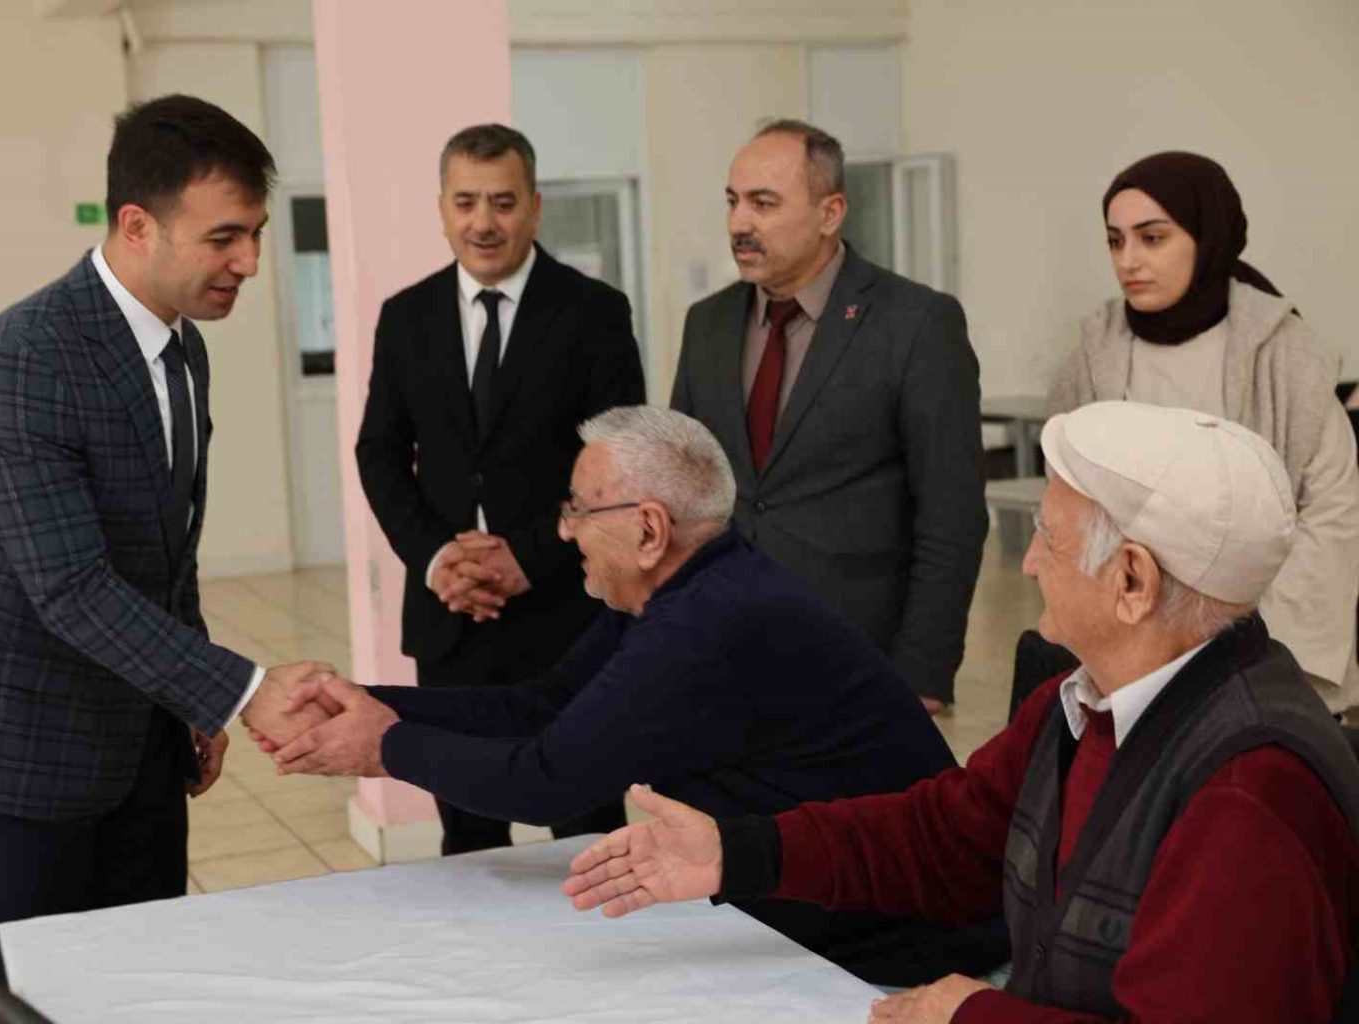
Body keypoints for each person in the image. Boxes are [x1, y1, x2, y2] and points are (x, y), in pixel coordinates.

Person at [564, 401, 1359, 1024]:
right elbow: (944, 840)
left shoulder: (1252, 790)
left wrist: (971, 1014)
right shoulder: (1080, 703)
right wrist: (734, 853)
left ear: (1132, 582)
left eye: (1047, 537)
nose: (1029, 563)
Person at [261, 406, 1004, 985]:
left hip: (898, 942)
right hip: (806, 911)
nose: (564, 531)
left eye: (578, 510)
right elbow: (543, 707)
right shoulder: (690, 586)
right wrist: (365, 702)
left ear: (649, 529)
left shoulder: (710, 623)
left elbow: (546, 783)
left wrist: (384, 746)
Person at [0, 95, 333, 923]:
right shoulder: (22, 362)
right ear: (137, 225)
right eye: (224, 238)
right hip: (23, 750)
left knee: (148, 962)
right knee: (36, 981)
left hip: (140, 735)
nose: (249, 262)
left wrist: (191, 700)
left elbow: (167, 552)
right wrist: (240, 690)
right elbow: (71, 587)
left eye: (255, 234)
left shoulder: (182, 347)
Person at [354, 124, 644, 855]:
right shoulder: (406, 316)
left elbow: (620, 462)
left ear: (535, 208)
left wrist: (528, 556)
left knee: (587, 835)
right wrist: (438, 560)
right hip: (452, 619)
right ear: (442, 209)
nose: (483, 222)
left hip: (568, 613)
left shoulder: (594, 312)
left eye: (503, 202)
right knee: (469, 838)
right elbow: (379, 453)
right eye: (466, 202)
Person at [671, 119, 986, 713]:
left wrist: (923, 671)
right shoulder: (706, 324)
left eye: (764, 203)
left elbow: (953, 514)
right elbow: (684, 491)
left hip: (856, 660)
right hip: (719, 650)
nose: (739, 223)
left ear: (830, 212)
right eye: (733, 202)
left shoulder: (916, 323)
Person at [1051, 151, 1359, 717]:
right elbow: (1067, 509)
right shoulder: (1092, 359)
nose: (1128, 260)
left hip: (1263, 643)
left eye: (1152, 238)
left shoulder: (1285, 355)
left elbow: (1331, 513)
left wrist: (1258, 647)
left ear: (1207, 236)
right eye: (1116, 241)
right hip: (1129, 642)